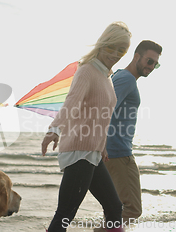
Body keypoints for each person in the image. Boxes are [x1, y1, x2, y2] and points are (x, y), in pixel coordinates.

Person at [41, 21, 131, 232]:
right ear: (102, 44)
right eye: (112, 47)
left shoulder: (106, 76)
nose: (116, 54)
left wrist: (102, 146)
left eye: (122, 50)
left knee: (114, 207)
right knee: (65, 214)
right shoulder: (87, 71)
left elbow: (98, 116)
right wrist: (54, 129)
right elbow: (71, 101)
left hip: (92, 153)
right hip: (79, 152)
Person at [103, 40, 163, 226]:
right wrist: (102, 145)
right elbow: (106, 109)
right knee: (132, 209)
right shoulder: (126, 78)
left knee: (116, 207)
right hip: (119, 153)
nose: (151, 67)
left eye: (156, 63)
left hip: (113, 152)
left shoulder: (121, 76)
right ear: (137, 56)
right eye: (149, 61)